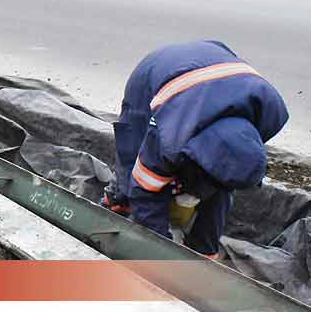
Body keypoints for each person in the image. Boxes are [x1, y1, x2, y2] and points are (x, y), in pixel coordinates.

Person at [103, 40, 289, 257]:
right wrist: (163, 255)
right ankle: (116, 201)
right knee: (134, 165)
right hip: (153, 75)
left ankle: (204, 250)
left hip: (218, 66)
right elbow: (144, 191)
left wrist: (204, 257)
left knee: (221, 179)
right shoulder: (168, 138)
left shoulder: (272, 113)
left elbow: (225, 176)